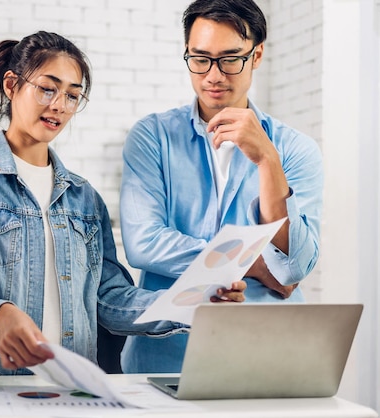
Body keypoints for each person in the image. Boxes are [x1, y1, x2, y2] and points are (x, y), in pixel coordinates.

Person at [0, 30, 247, 376]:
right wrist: (1, 314)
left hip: (67, 385)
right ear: (11, 85)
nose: (59, 105)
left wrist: (193, 304)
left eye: (72, 95)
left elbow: (111, 298)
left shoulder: (84, 198)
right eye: (47, 88)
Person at [119, 0, 323, 374]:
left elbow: (294, 267)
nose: (213, 75)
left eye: (230, 59)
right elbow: (143, 243)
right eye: (200, 58)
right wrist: (256, 265)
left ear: (257, 54)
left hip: (268, 353)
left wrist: (267, 161)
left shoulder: (295, 149)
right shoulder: (152, 137)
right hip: (167, 354)